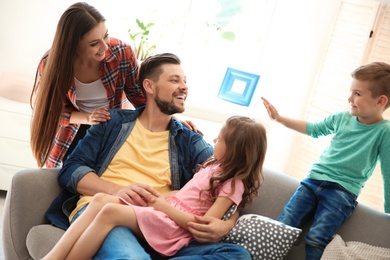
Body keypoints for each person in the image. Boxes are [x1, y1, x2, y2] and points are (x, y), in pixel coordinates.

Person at [46, 52, 251, 259]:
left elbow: (228, 177)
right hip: (105, 210)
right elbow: (70, 169)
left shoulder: (189, 140)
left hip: (160, 220)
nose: (184, 86)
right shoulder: (112, 122)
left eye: (185, 81)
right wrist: (118, 190)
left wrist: (227, 224)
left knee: (238, 255)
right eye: (174, 80)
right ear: (150, 86)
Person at [42, 115, 267, 260]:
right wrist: (158, 197)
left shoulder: (232, 183)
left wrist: (159, 204)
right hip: (164, 208)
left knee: (109, 212)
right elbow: (189, 195)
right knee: (100, 200)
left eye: (221, 139)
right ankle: (53, 257)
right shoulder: (215, 164)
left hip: (173, 226)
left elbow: (200, 225)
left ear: (236, 149)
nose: (214, 141)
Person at [30, 2, 197, 169]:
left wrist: (171, 118)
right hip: (74, 129)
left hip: (113, 127)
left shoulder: (122, 53)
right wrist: (88, 117)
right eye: (94, 43)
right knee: (69, 176)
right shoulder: (52, 66)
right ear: (73, 45)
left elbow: (140, 97)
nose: (105, 46)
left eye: (105, 36)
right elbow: (53, 112)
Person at [261, 61, 390, 260]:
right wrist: (279, 118)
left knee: (316, 238)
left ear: (380, 101)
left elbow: (388, 173)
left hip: (342, 192)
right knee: (284, 225)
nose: (349, 98)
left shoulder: (384, 132)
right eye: (351, 92)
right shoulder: (342, 118)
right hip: (312, 181)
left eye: (357, 93)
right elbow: (313, 129)